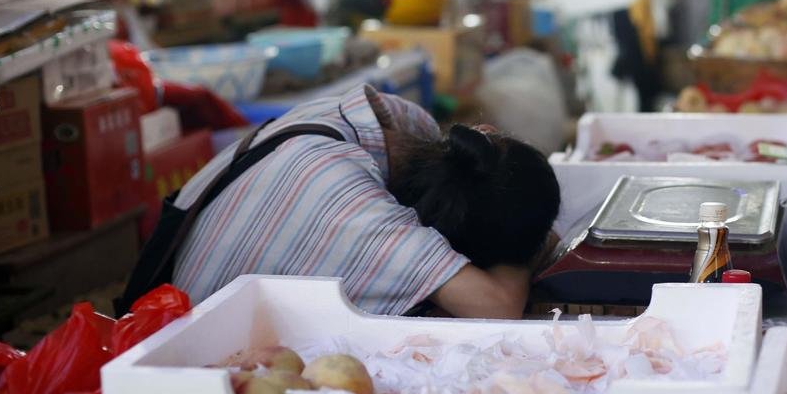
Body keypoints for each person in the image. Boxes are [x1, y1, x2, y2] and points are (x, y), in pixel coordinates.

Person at [169, 85, 560, 319]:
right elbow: (497, 306)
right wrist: (532, 246)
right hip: (182, 350)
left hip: (175, 298)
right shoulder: (360, 212)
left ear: (482, 135)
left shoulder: (398, 121)